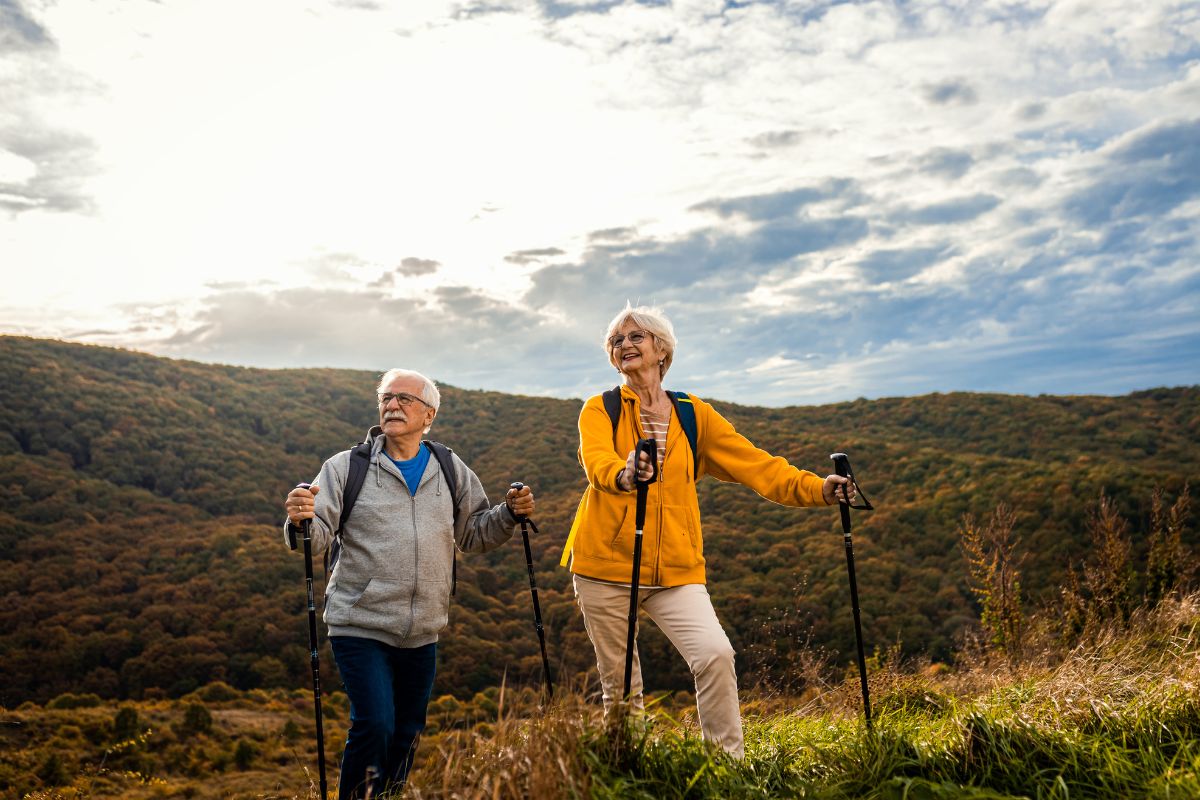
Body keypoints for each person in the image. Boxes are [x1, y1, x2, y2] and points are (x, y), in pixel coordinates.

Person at [560, 304, 854, 759]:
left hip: (676, 569)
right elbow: (597, 461)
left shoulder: (693, 414)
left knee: (715, 654)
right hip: (605, 566)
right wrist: (624, 474)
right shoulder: (601, 408)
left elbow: (758, 466)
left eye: (636, 336)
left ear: (662, 349)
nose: (624, 345)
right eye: (616, 341)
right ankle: (627, 769)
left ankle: (726, 767)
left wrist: (818, 488)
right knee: (622, 685)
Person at [284, 368, 534, 798]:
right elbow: (316, 536)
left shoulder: (450, 468)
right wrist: (299, 518)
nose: (392, 405)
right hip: (359, 622)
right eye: (386, 398)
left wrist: (509, 514)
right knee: (375, 723)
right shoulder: (345, 467)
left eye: (404, 399)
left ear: (429, 415)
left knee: (407, 733)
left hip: (423, 630)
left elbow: (474, 534)